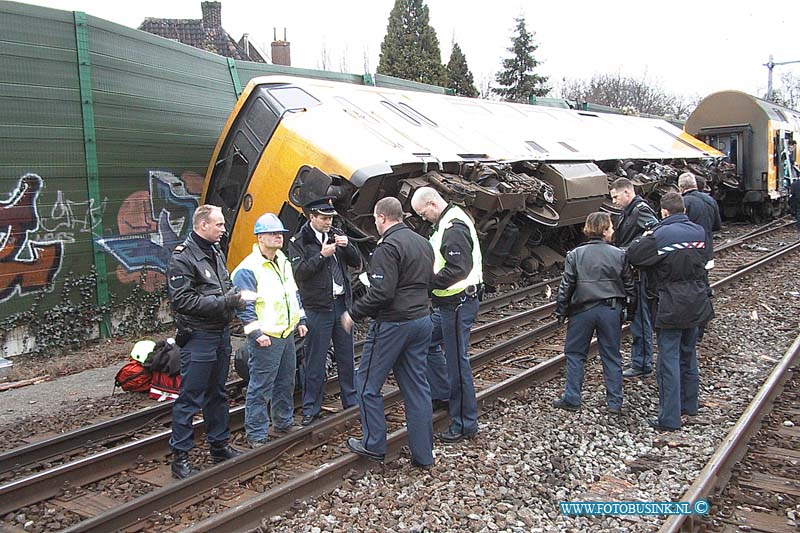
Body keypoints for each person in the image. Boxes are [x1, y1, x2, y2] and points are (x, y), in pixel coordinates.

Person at [341, 197, 435, 469]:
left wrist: (353, 313)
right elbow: (430, 281)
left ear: (381, 217)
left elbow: (382, 292)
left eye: (375, 219)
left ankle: (373, 445)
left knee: (367, 384)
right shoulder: (422, 242)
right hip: (421, 320)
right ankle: (423, 454)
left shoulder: (387, 247)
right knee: (417, 388)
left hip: (393, 325)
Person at [166, 204, 244, 479]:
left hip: (220, 332)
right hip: (199, 336)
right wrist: (226, 301)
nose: (223, 229)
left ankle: (219, 444)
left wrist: (235, 298)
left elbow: (222, 284)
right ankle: (180, 457)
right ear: (203, 226)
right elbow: (182, 300)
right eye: (219, 225)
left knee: (218, 392)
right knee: (190, 396)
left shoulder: (214, 251)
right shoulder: (183, 258)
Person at [627, 192, 714, 431]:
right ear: (683, 209)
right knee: (689, 354)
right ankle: (690, 405)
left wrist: (645, 236)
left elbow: (634, 256)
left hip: (669, 304)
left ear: (664, 212)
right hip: (696, 301)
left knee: (669, 360)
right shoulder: (699, 232)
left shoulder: (659, 235)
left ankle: (669, 418)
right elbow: (706, 260)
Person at [411, 187, 483, 443]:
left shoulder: (453, 227)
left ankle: (465, 423)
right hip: (448, 304)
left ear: (432, 203)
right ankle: (443, 395)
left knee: (457, 362)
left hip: (458, 303)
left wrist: (427, 284)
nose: (423, 218)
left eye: (423, 213)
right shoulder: (448, 221)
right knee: (428, 342)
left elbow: (458, 269)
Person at [231, 213, 307, 447]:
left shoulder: (282, 260)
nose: (278, 237)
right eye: (273, 233)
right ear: (260, 237)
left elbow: (292, 293)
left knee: (286, 381)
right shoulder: (249, 269)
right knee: (260, 386)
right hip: (267, 337)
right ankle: (256, 433)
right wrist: (256, 334)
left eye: (280, 234)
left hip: (285, 332)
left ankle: (283, 421)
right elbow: (245, 307)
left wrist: (301, 319)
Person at [552, 212, 636, 414]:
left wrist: (561, 311)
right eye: (611, 227)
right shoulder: (619, 254)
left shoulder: (575, 255)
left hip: (582, 310)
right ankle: (614, 402)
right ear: (605, 229)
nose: (613, 230)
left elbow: (566, 286)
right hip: (610, 310)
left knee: (575, 354)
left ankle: (572, 398)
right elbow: (630, 287)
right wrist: (629, 313)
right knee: (611, 355)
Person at [288, 197, 361, 426]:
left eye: (330, 218)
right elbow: (299, 273)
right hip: (317, 307)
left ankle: (351, 401)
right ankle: (311, 408)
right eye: (324, 218)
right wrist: (321, 256)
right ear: (312, 217)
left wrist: (347, 245)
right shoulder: (299, 240)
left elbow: (356, 261)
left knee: (346, 356)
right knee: (315, 360)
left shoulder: (336, 233)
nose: (328, 222)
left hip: (340, 304)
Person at [609, 178, 659, 379]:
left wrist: (630, 249)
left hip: (640, 272)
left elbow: (654, 232)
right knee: (637, 316)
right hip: (633, 270)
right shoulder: (629, 211)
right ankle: (640, 360)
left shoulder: (640, 210)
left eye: (615, 197)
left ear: (627, 193)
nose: (614, 201)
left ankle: (643, 362)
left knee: (640, 317)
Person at [679, 173, 721, 269]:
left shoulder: (682, 202)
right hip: (707, 249)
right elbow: (717, 226)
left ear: (681, 187)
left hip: (688, 252)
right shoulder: (710, 200)